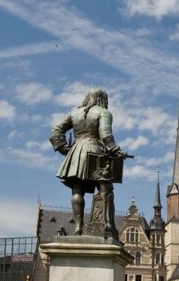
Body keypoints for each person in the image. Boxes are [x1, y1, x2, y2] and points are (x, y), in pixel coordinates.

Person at [49, 88, 127, 239]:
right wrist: (116, 150)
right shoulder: (103, 112)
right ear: (102, 100)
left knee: (77, 190)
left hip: (76, 152)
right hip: (96, 152)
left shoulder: (74, 113)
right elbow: (106, 135)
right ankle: (108, 227)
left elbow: (55, 131)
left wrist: (65, 149)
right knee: (106, 190)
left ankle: (78, 227)